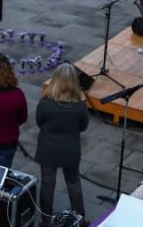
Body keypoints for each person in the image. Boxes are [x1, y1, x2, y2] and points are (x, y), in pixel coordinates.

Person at [35, 64, 89, 225]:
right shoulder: (80, 106)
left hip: (48, 149)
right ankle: (80, 217)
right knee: (73, 181)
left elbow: (39, 122)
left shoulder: (45, 103)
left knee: (47, 184)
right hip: (70, 150)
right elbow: (83, 127)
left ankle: (46, 220)